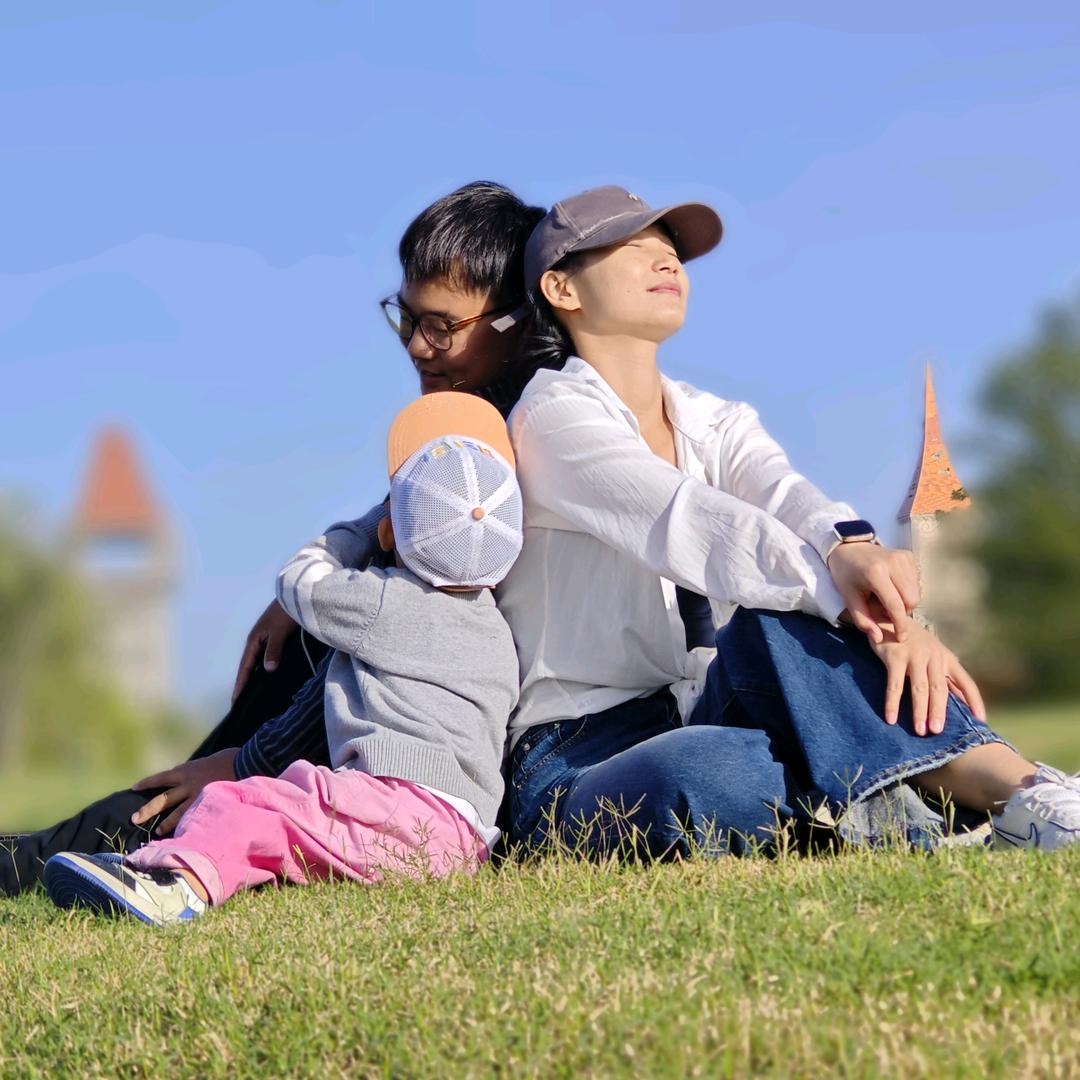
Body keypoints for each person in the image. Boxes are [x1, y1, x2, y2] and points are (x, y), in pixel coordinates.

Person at [499, 184, 1080, 860]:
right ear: (562, 289)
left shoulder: (715, 418)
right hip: (581, 750)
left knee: (773, 630)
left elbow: (790, 499)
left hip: (709, 706)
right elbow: (693, 525)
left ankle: (1024, 793)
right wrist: (877, 620)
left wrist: (856, 551)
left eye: (673, 253)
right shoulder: (552, 417)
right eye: (637, 248)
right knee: (708, 773)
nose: (668, 264)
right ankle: (931, 813)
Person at [0, 181, 548, 896]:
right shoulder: (469, 447)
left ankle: (93, 846)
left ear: (511, 321)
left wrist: (240, 761)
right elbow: (382, 524)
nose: (417, 346)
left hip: (414, 773)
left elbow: (378, 663)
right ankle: (84, 839)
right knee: (245, 711)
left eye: (441, 326)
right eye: (407, 319)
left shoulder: (521, 448)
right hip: (422, 775)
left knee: (223, 764)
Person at [42, 393, 523, 925]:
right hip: (462, 840)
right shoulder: (499, 635)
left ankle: (173, 884)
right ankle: (178, 865)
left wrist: (362, 531)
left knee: (246, 802)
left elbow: (300, 579)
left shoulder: (383, 601)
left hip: (393, 809)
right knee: (294, 827)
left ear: (389, 533)